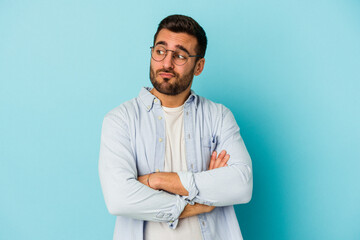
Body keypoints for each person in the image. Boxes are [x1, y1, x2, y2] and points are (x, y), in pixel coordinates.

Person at [99, 14, 253, 240]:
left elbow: (241, 184)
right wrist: (202, 202)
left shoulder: (218, 116)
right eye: (160, 51)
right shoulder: (120, 120)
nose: (167, 63)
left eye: (180, 55)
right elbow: (119, 199)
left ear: (198, 66)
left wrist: (157, 180)